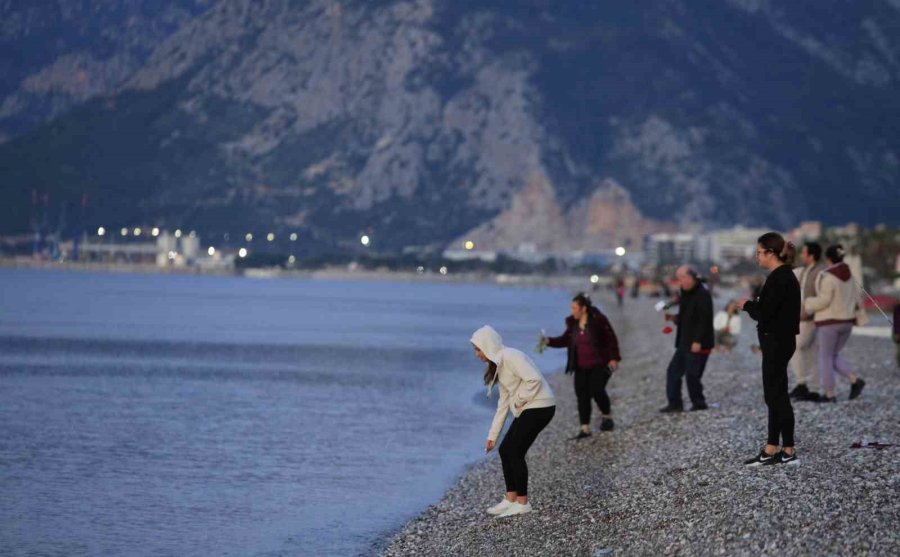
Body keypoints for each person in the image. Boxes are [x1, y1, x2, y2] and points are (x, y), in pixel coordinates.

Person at [472, 325, 556, 518]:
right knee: (504, 449)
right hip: (530, 408)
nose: (476, 354)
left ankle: (522, 503)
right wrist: (492, 436)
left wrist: (518, 400)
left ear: (487, 345)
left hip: (540, 406)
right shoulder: (498, 365)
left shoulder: (511, 356)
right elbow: (503, 404)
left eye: (478, 349)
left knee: (515, 452)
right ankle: (510, 499)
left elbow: (534, 379)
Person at [736, 232, 801, 466]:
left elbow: (765, 313)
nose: (757, 257)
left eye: (759, 253)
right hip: (778, 341)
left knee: (776, 396)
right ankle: (771, 448)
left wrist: (746, 305)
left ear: (771, 253)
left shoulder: (780, 277)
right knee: (774, 394)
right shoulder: (782, 276)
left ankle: (788, 449)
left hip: (777, 342)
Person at [539, 293, 621, 439]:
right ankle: (585, 428)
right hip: (580, 366)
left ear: (583, 308)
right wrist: (548, 341)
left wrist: (614, 358)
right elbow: (565, 340)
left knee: (597, 390)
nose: (572, 311)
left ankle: (607, 416)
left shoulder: (598, 320)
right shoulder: (573, 324)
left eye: (574, 308)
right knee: (582, 396)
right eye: (571, 308)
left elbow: (611, 338)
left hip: (600, 364)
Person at [804, 245, 866, 402]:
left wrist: (807, 302)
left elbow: (824, 300)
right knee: (831, 355)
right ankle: (854, 380)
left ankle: (829, 394)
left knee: (824, 357)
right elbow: (857, 297)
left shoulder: (828, 276)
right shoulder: (850, 275)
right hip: (848, 322)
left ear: (828, 259)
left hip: (829, 322)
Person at [660, 266, 714, 412]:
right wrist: (674, 318)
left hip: (697, 342)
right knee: (673, 372)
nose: (680, 281)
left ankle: (699, 403)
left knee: (692, 375)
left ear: (692, 277)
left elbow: (704, 319)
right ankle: (675, 404)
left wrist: (698, 340)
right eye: (678, 278)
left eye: (682, 278)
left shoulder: (703, 294)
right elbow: (687, 317)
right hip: (684, 341)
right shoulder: (686, 293)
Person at [789, 242, 826, 401]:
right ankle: (812, 388)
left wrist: (808, 310)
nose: (801, 256)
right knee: (810, 353)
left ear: (811, 256)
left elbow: (823, 297)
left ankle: (803, 383)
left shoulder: (820, 272)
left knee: (795, 348)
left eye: (803, 253)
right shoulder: (804, 271)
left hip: (811, 319)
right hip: (803, 318)